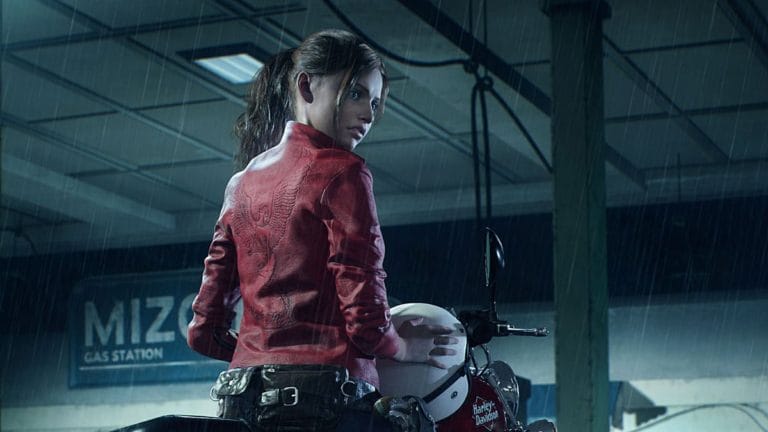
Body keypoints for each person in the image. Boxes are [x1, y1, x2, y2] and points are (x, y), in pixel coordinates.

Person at [187, 29, 456, 432]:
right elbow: (365, 321)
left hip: (240, 401)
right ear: (305, 86)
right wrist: (402, 347)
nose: (368, 114)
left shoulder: (240, 183)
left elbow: (203, 332)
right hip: (327, 401)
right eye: (355, 93)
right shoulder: (344, 172)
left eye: (375, 102)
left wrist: (261, 359)